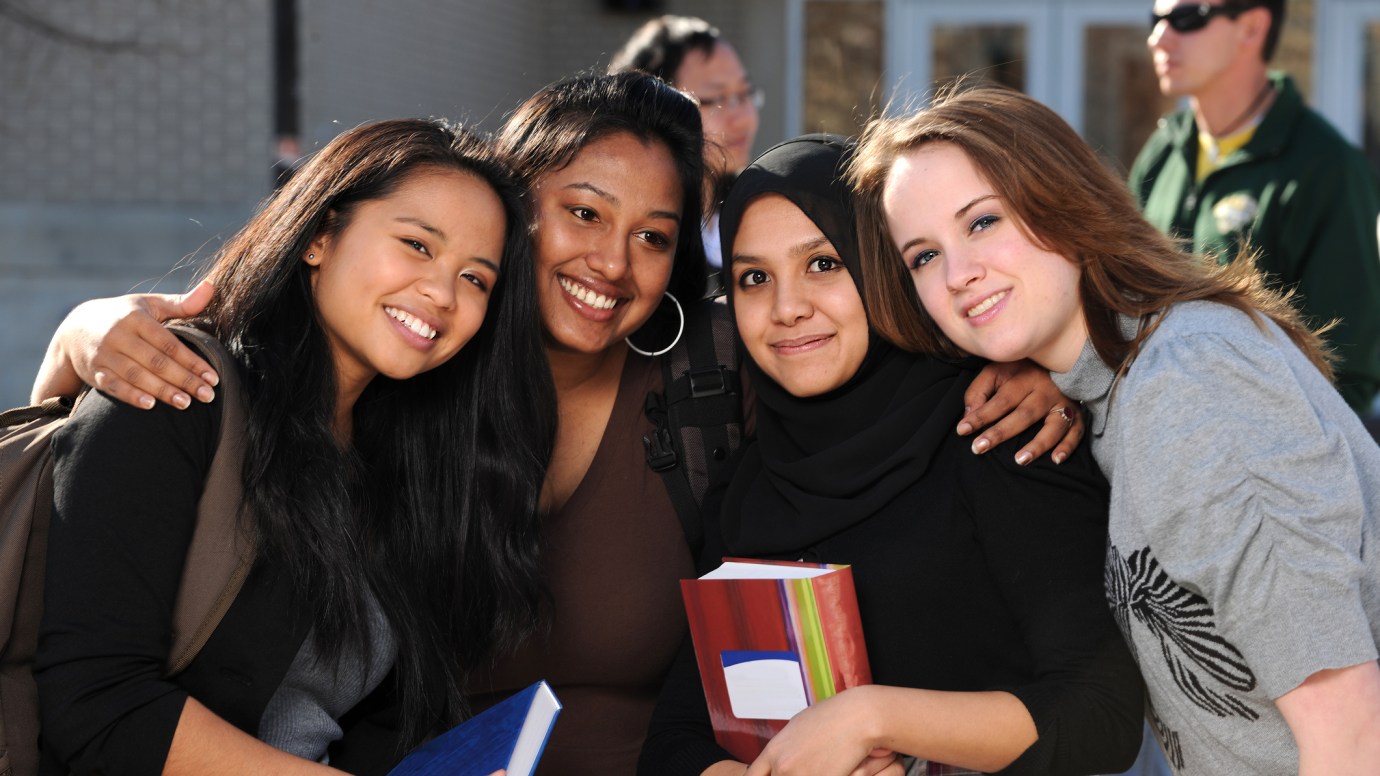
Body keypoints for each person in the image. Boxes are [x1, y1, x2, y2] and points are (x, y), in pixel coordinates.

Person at [30, 74, 1088, 776]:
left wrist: (1035, 376)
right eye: (581, 212)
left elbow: (855, 333)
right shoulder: (408, 388)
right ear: (516, 202)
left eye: (654, 236)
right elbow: (139, 429)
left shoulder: (714, 379)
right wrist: (90, 330)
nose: (611, 261)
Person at [852, 84, 1380, 775]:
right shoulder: (1117, 387)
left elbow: (1352, 732)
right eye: (923, 256)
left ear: (1062, 200)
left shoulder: (1189, 379)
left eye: (983, 222)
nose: (958, 274)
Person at [34, 119, 554, 774]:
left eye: (475, 279)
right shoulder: (180, 394)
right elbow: (95, 703)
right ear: (319, 236)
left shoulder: (403, 472)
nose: (442, 293)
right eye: (418, 245)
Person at [638, 135, 1144, 776]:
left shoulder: (998, 431)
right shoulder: (749, 492)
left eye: (823, 264)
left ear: (880, 268)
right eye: (754, 278)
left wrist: (870, 720)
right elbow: (676, 737)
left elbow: (1102, 715)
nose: (788, 309)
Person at [1130, 0, 1380, 412]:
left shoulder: (1328, 169)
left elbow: (1345, 370)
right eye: (1155, 19)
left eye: (1187, 17)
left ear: (1251, 28)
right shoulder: (1162, 153)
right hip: (1152, 434)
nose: (1158, 38)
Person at [609, 14, 763, 272]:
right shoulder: (638, 237)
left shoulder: (753, 213)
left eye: (745, 94)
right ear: (657, 107)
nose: (744, 119)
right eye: (716, 99)